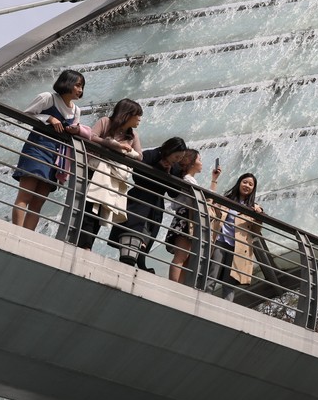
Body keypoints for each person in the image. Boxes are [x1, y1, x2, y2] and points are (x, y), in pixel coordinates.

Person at [11, 69, 85, 231]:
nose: (80, 90)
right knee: (25, 196)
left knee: (38, 202)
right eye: (78, 85)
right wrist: (48, 118)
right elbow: (26, 115)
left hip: (57, 157)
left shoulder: (76, 111)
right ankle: (16, 232)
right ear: (68, 83)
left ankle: (27, 235)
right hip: (37, 148)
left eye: (82, 86)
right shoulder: (48, 98)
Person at [112, 136, 190, 272]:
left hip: (156, 204)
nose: (177, 160)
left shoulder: (175, 168)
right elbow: (136, 175)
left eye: (180, 158)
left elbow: (173, 193)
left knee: (147, 233)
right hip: (140, 197)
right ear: (170, 150)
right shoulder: (152, 155)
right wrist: (159, 168)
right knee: (133, 229)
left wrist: (170, 174)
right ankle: (129, 260)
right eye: (176, 156)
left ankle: (140, 262)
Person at [76, 99, 144, 250]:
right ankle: (82, 243)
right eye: (137, 115)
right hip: (95, 170)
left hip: (113, 177)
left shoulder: (132, 135)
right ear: (128, 114)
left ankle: (87, 244)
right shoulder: (105, 122)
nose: (139, 119)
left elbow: (140, 156)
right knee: (88, 206)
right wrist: (115, 144)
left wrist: (128, 150)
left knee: (101, 210)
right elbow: (92, 137)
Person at [166, 149, 221, 283]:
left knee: (187, 257)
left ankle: (180, 286)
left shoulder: (190, 180)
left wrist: (214, 180)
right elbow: (205, 200)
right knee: (182, 255)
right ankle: (175, 286)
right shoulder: (187, 179)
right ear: (191, 162)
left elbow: (206, 200)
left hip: (190, 219)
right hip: (186, 218)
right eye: (199, 160)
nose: (201, 163)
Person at [209, 172, 260, 301]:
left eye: (250, 184)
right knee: (212, 273)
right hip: (221, 240)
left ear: (253, 189)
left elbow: (255, 231)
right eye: (245, 182)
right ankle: (203, 301)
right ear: (239, 183)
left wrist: (259, 217)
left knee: (229, 282)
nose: (247, 185)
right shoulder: (227, 199)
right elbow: (213, 210)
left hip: (238, 248)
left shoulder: (253, 208)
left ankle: (225, 309)